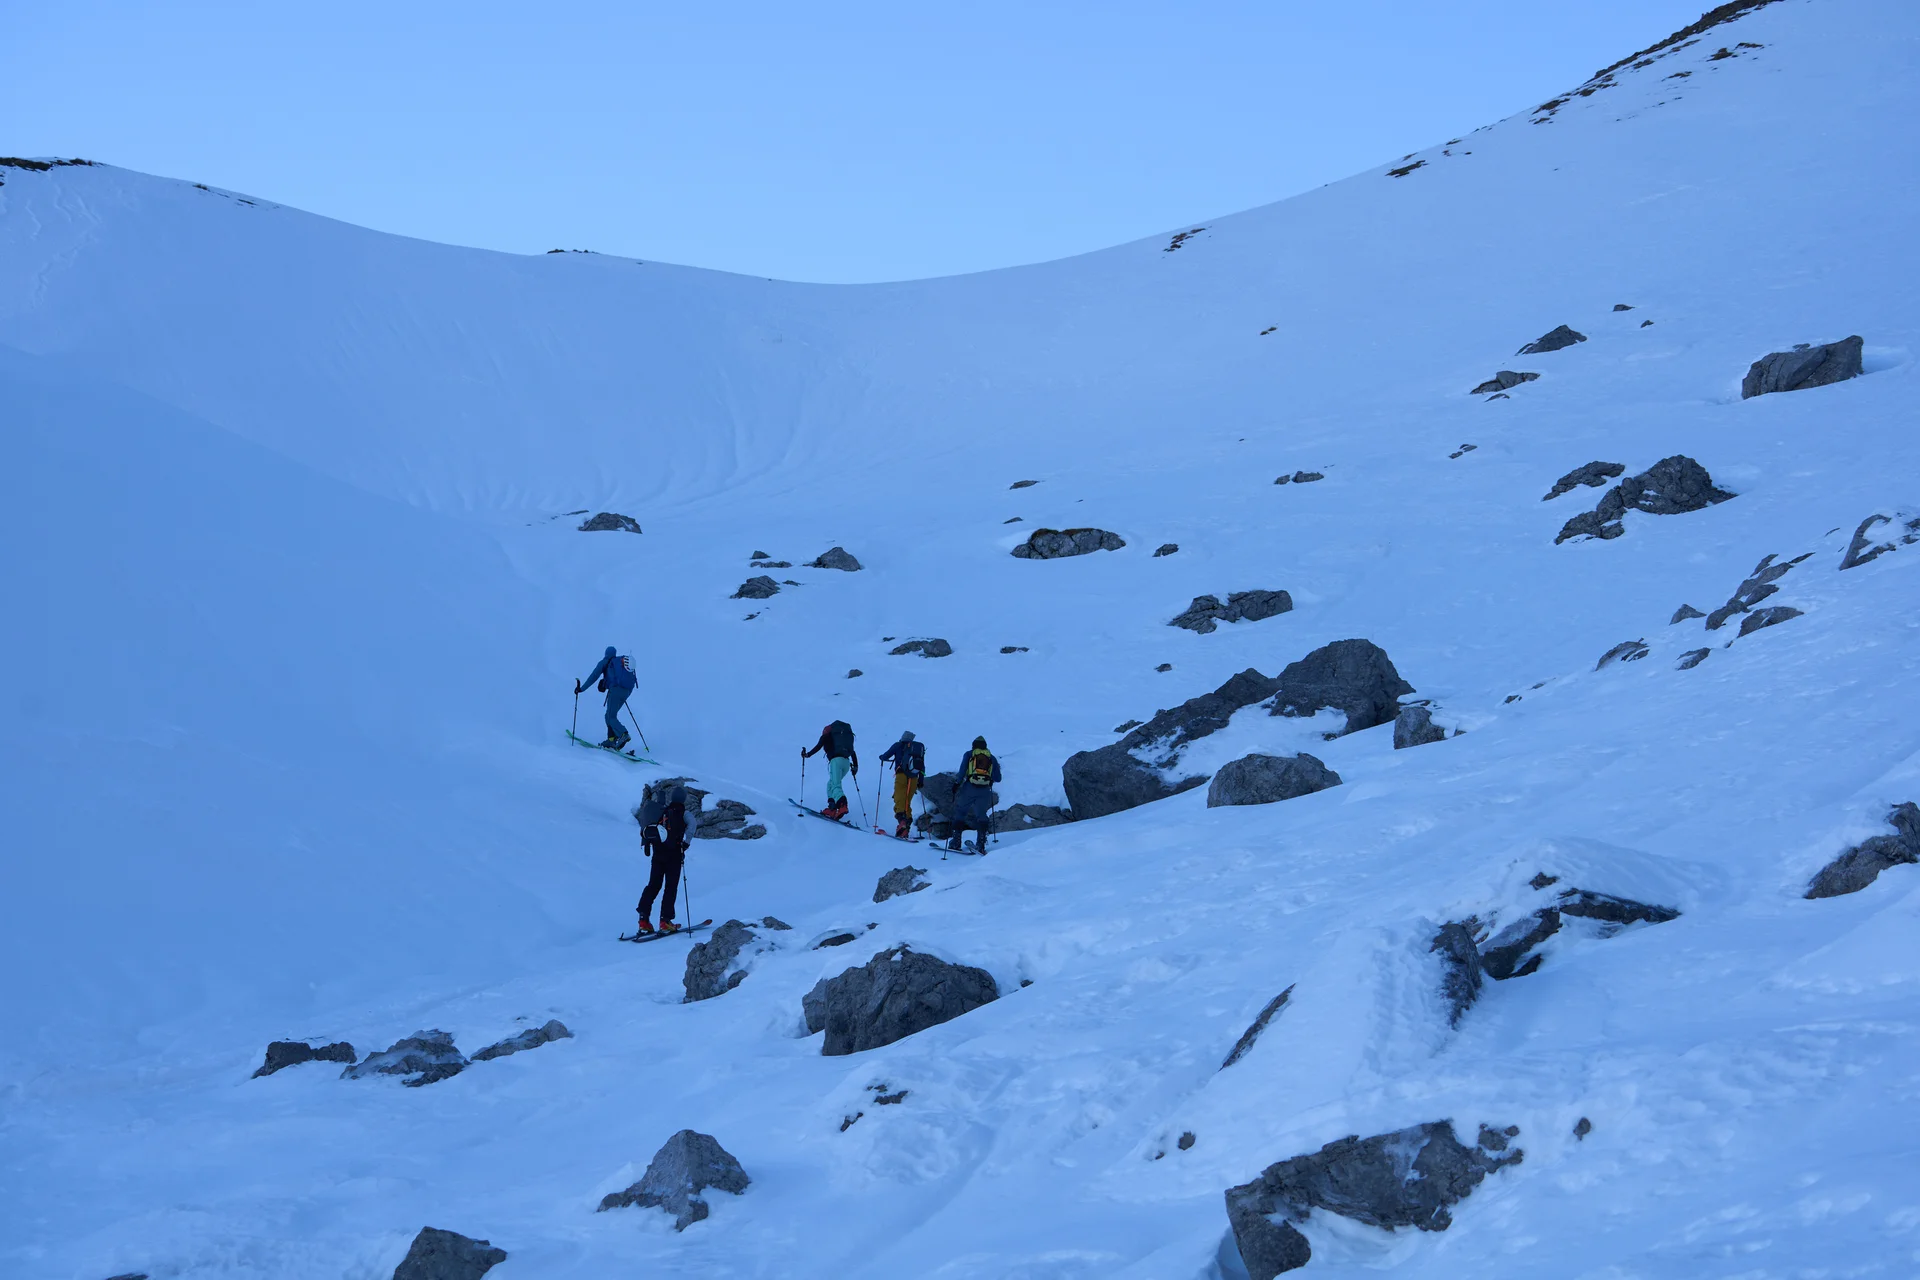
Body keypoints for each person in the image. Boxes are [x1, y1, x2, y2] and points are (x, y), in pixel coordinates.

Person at [636, 783, 689, 933]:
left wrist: (646, 845)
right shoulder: (681, 813)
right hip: (674, 855)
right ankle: (665, 921)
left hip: (657, 853)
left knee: (653, 885)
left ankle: (643, 920)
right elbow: (691, 826)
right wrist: (685, 845)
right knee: (670, 887)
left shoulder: (658, 812)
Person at [576, 645, 638, 749]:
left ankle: (624, 734)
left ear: (606, 653)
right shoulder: (620, 663)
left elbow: (593, 677)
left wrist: (581, 689)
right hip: (627, 691)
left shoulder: (605, 662)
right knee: (609, 715)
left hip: (615, 691)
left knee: (610, 716)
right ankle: (611, 740)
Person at [948, 735, 1001, 854]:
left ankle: (956, 842)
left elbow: (962, 772)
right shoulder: (991, 758)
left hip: (969, 788)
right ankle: (981, 844)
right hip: (985, 790)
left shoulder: (969, 755)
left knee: (960, 812)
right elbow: (998, 778)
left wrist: (956, 784)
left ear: (973, 745)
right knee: (981, 815)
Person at [802, 720, 858, 820]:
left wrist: (807, 755)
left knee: (835, 784)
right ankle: (832, 807)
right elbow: (853, 752)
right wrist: (855, 767)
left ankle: (842, 805)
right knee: (831, 784)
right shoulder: (842, 742)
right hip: (846, 763)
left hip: (835, 761)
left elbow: (818, 746)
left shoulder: (826, 736)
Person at [878, 730, 926, 839]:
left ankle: (902, 823)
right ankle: (906, 829)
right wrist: (921, 781)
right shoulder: (917, 750)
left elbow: (885, 756)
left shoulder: (898, 745)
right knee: (907, 802)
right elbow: (922, 767)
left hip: (901, 776)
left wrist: (882, 757)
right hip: (914, 778)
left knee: (899, 799)